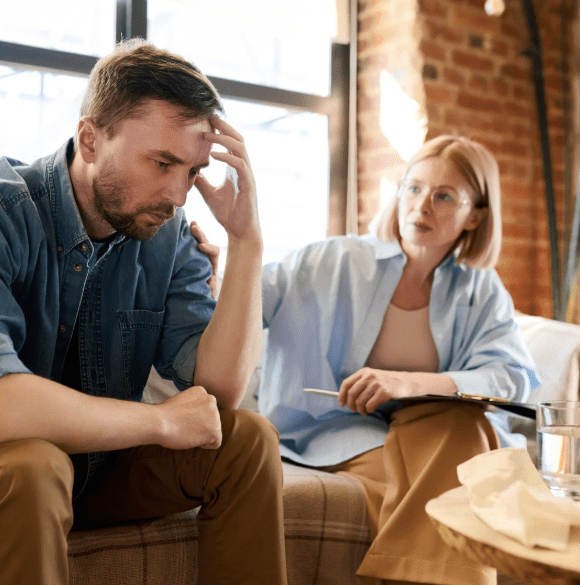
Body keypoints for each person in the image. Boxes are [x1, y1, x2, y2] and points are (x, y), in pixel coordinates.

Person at [0, 39, 286, 585]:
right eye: (162, 162)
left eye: (193, 171)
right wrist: (158, 420)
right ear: (90, 139)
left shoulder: (166, 237)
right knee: (30, 467)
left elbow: (217, 394)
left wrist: (247, 241)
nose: (179, 194)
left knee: (245, 440)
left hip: (81, 472)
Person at [210, 134, 537, 585]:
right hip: (337, 432)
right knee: (459, 476)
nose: (422, 206)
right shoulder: (333, 259)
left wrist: (411, 383)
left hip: (438, 430)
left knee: (464, 426)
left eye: (445, 196)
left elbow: (513, 377)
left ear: (475, 214)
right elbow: (246, 299)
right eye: (413, 187)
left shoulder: (481, 290)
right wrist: (211, 273)